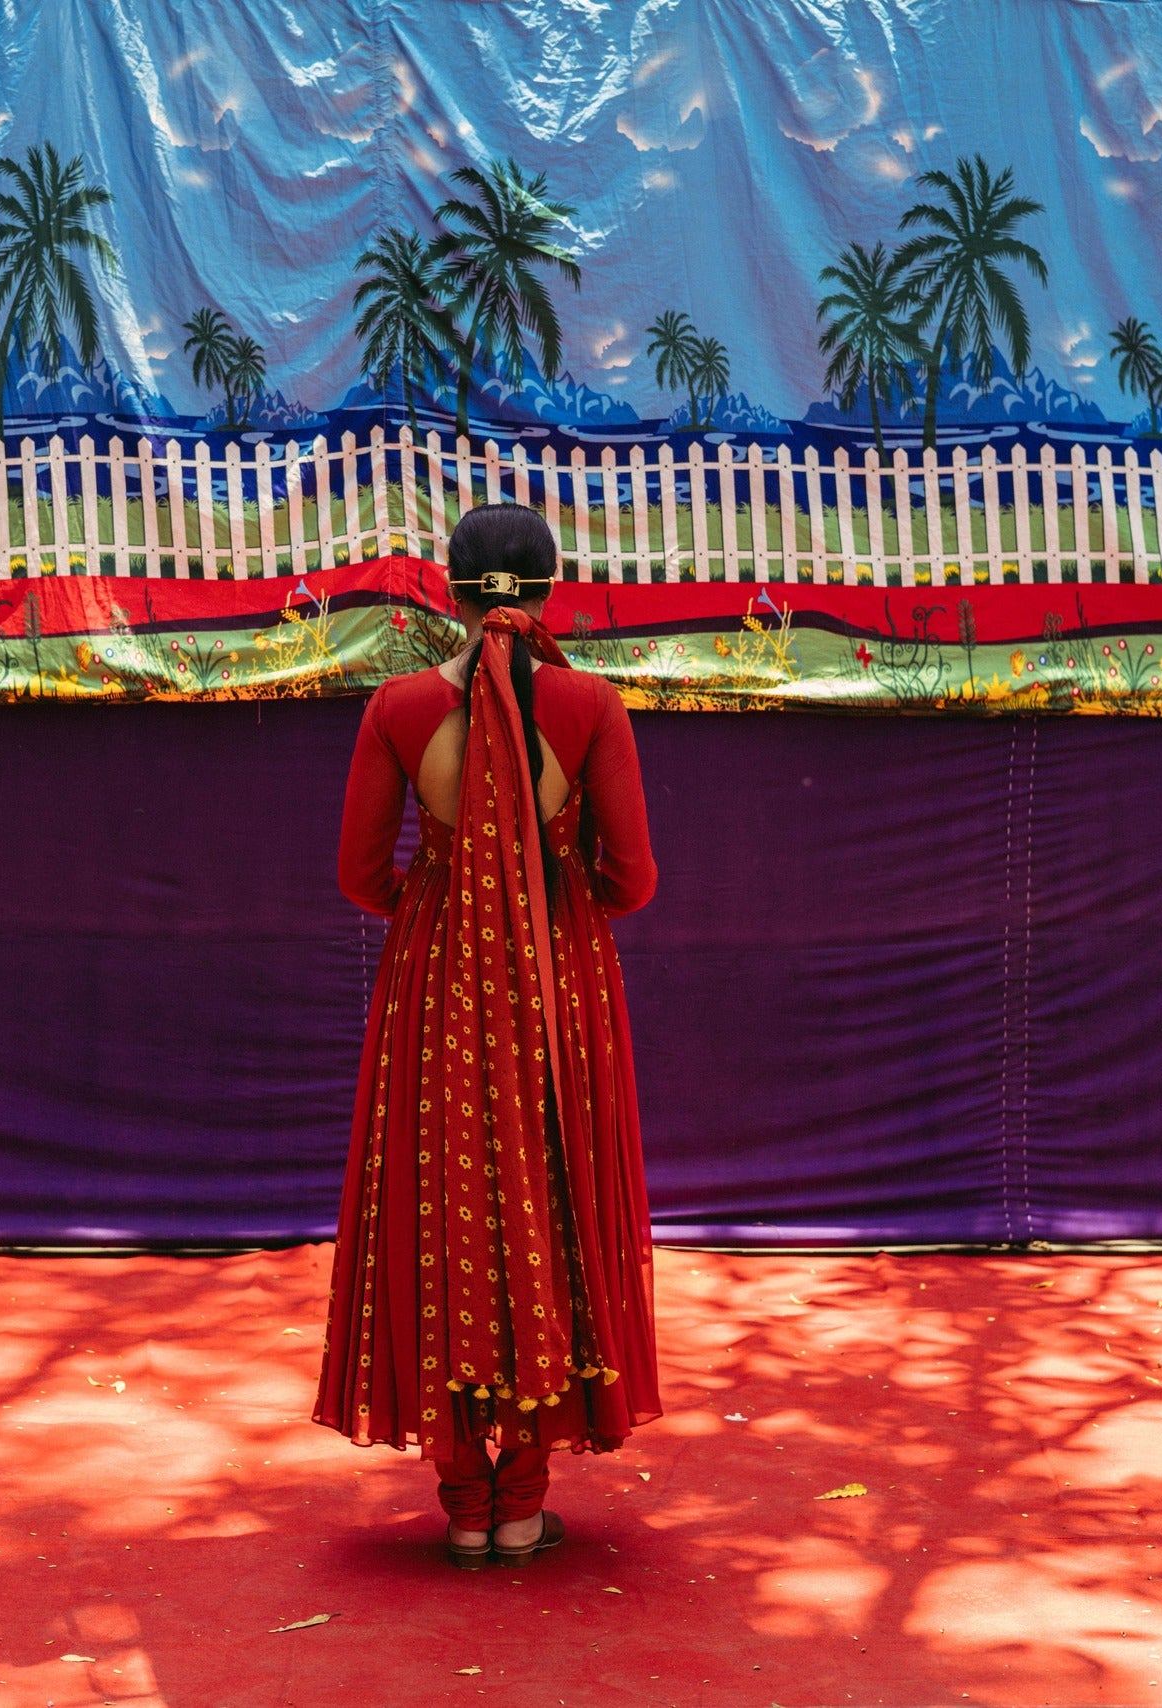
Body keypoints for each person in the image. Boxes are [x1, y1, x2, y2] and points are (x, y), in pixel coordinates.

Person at [313, 501, 660, 1568]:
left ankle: (463, 1503)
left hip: (437, 980)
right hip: (560, 979)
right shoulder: (591, 701)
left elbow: (358, 876)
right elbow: (633, 880)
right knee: (555, 1194)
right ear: (551, 588)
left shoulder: (401, 706)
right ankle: (523, 1500)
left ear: (450, 592)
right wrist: (554, 893)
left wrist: (442, 899)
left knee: (443, 1199)